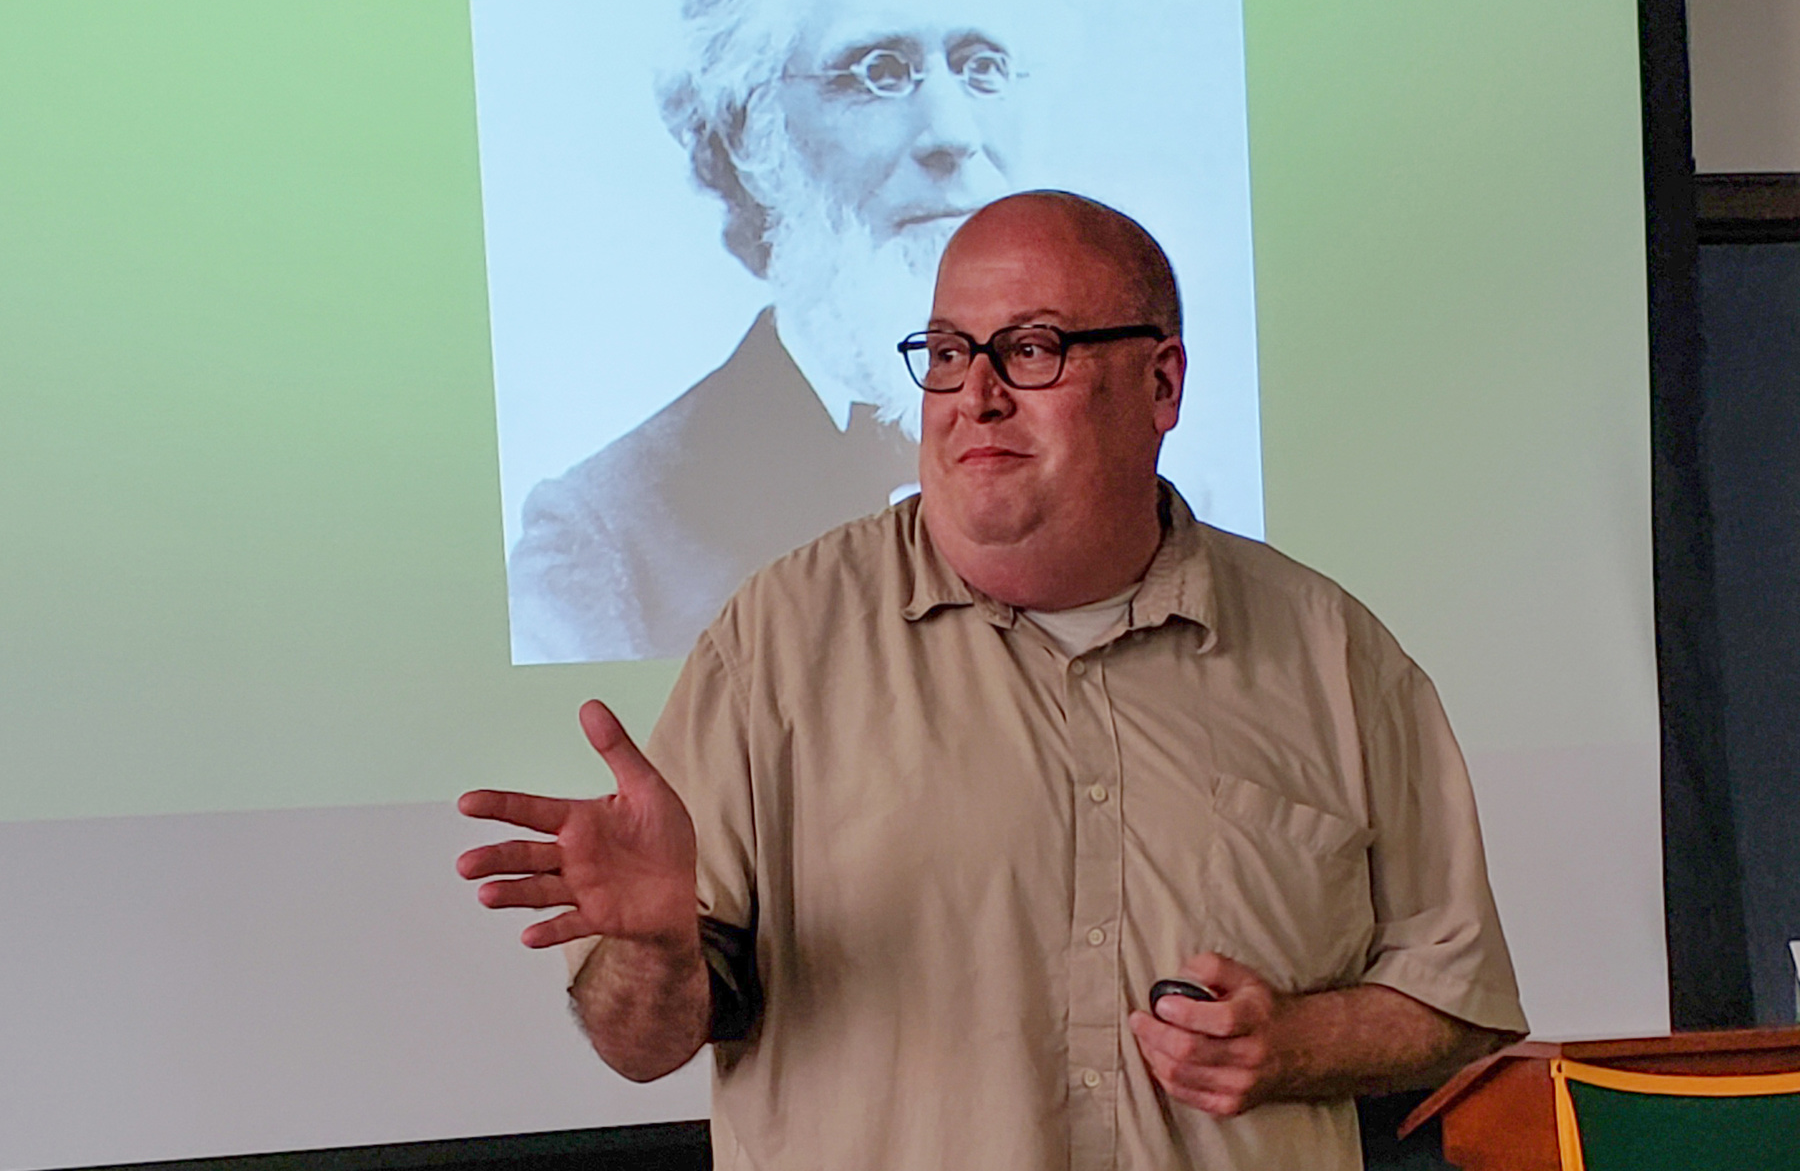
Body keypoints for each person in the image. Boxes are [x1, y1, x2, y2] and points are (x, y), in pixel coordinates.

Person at [460, 192, 1529, 1169]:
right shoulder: (778, 646)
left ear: (1161, 383)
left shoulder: (1333, 655)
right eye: (946, 351)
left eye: (1031, 351)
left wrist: (1297, 1043)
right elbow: (641, 1047)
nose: (974, 396)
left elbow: (1454, 995)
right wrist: (654, 949)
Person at [506, 0, 1023, 663]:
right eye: (879, 71)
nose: (954, 134)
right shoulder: (605, 544)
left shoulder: (1115, 464)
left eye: (981, 68)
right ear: (750, 135)